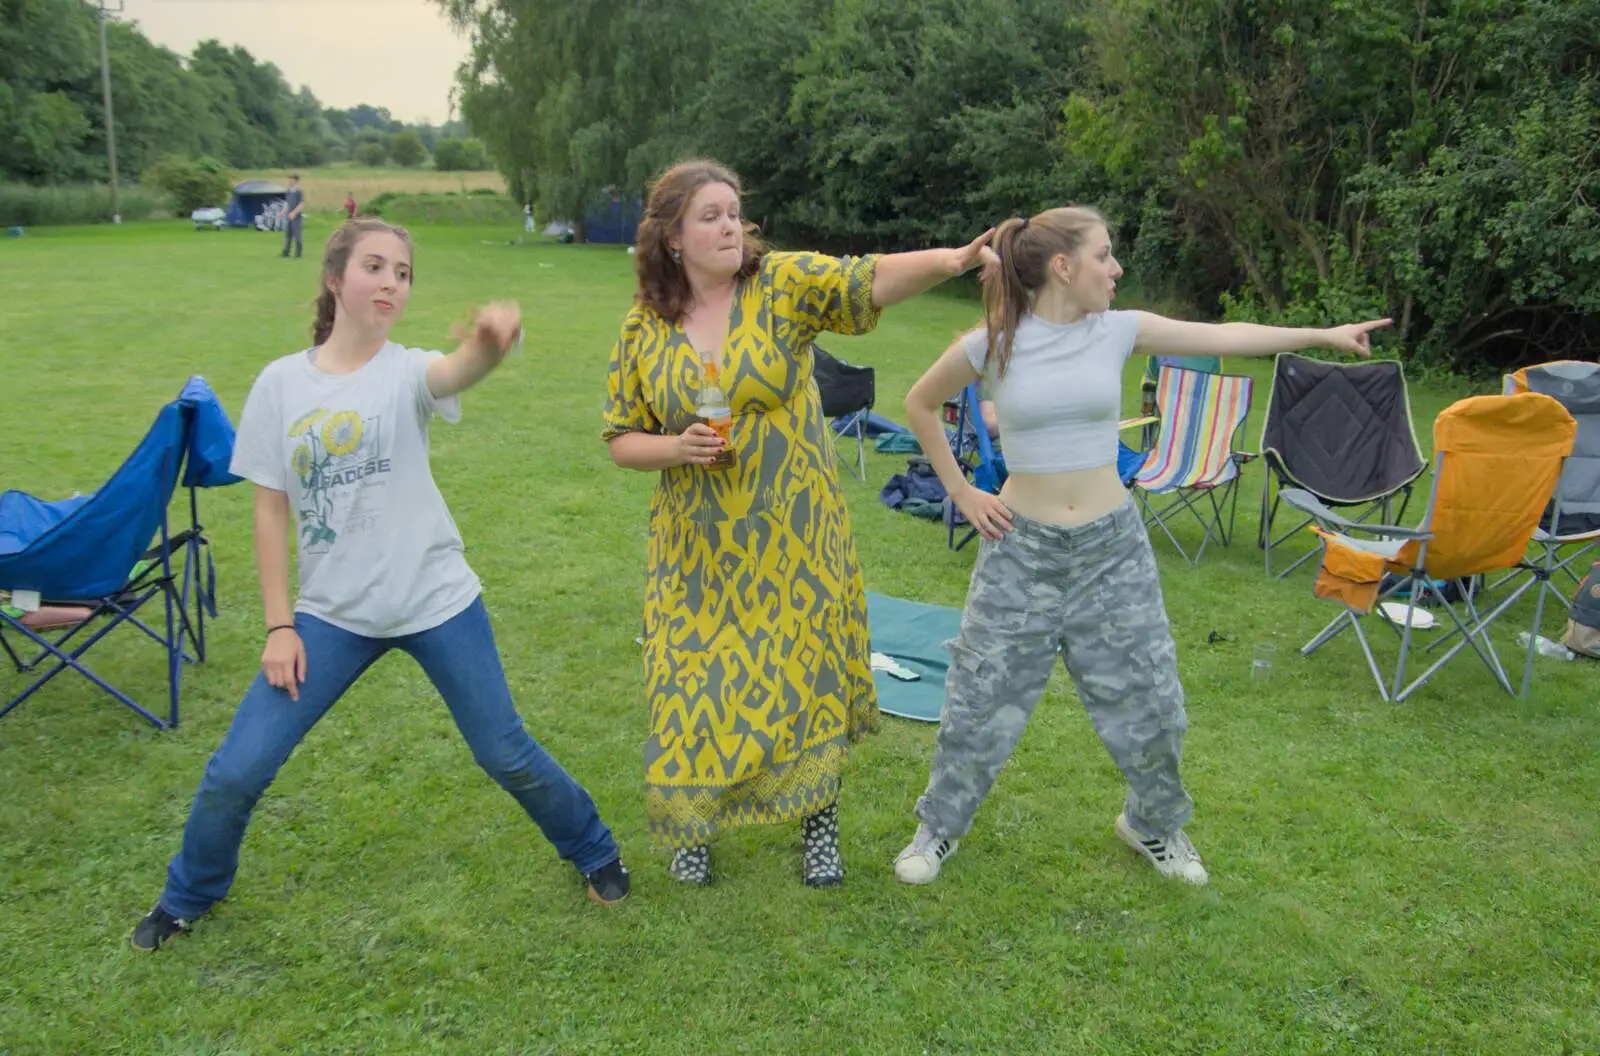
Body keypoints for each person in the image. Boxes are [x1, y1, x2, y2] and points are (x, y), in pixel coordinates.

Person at [131, 218, 628, 952]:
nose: (392, 281)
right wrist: (279, 627)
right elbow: (269, 511)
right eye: (375, 266)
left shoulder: (406, 371)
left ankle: (593, 849)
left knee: (505, 752)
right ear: (336, 279)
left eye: (402, 271)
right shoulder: (279, 384)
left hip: (435, 600)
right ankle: (187, 895)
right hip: (331, 615)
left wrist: (490, 343)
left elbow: (456, 370)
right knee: (238, 768)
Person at [893, 206, 1389, 887]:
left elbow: (1226, 335)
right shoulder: (994, 342)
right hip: (1022, 549)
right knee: (979, 700)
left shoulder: (1119, 331)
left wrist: (1323, 333)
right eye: (1105, 256)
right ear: (1063, 267)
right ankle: (939, 828)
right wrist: (963, 492)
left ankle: (1151, 824)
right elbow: (920, 403)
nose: (1117, 269)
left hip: (1110, 552)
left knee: (1152, 700)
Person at [602, 158, 992, 887]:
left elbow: (864, 280)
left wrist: (954, 260)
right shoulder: (645, 327)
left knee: (802, 677)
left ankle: (820, 826)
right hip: (698, 545)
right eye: (710, 215)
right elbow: (622, 436)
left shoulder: (780, 285)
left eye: (734, 211)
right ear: (674, 237)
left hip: (796, 531)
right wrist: (675, 446)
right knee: (695, 679)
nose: (730, 226)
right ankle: (696, 825)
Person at [281, 173, 305, 258]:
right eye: (289, 179)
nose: (289, 181)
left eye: (291, 180)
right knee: (288, 236)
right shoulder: (288, 191)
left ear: (296, 181)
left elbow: (301, 204)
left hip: (296, 217)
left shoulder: (299, 191)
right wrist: (283, 212)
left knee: (297, 236)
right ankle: (286, 253)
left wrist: (294, 213)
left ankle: (298, 254)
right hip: (289, 217)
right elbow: (287, 203)